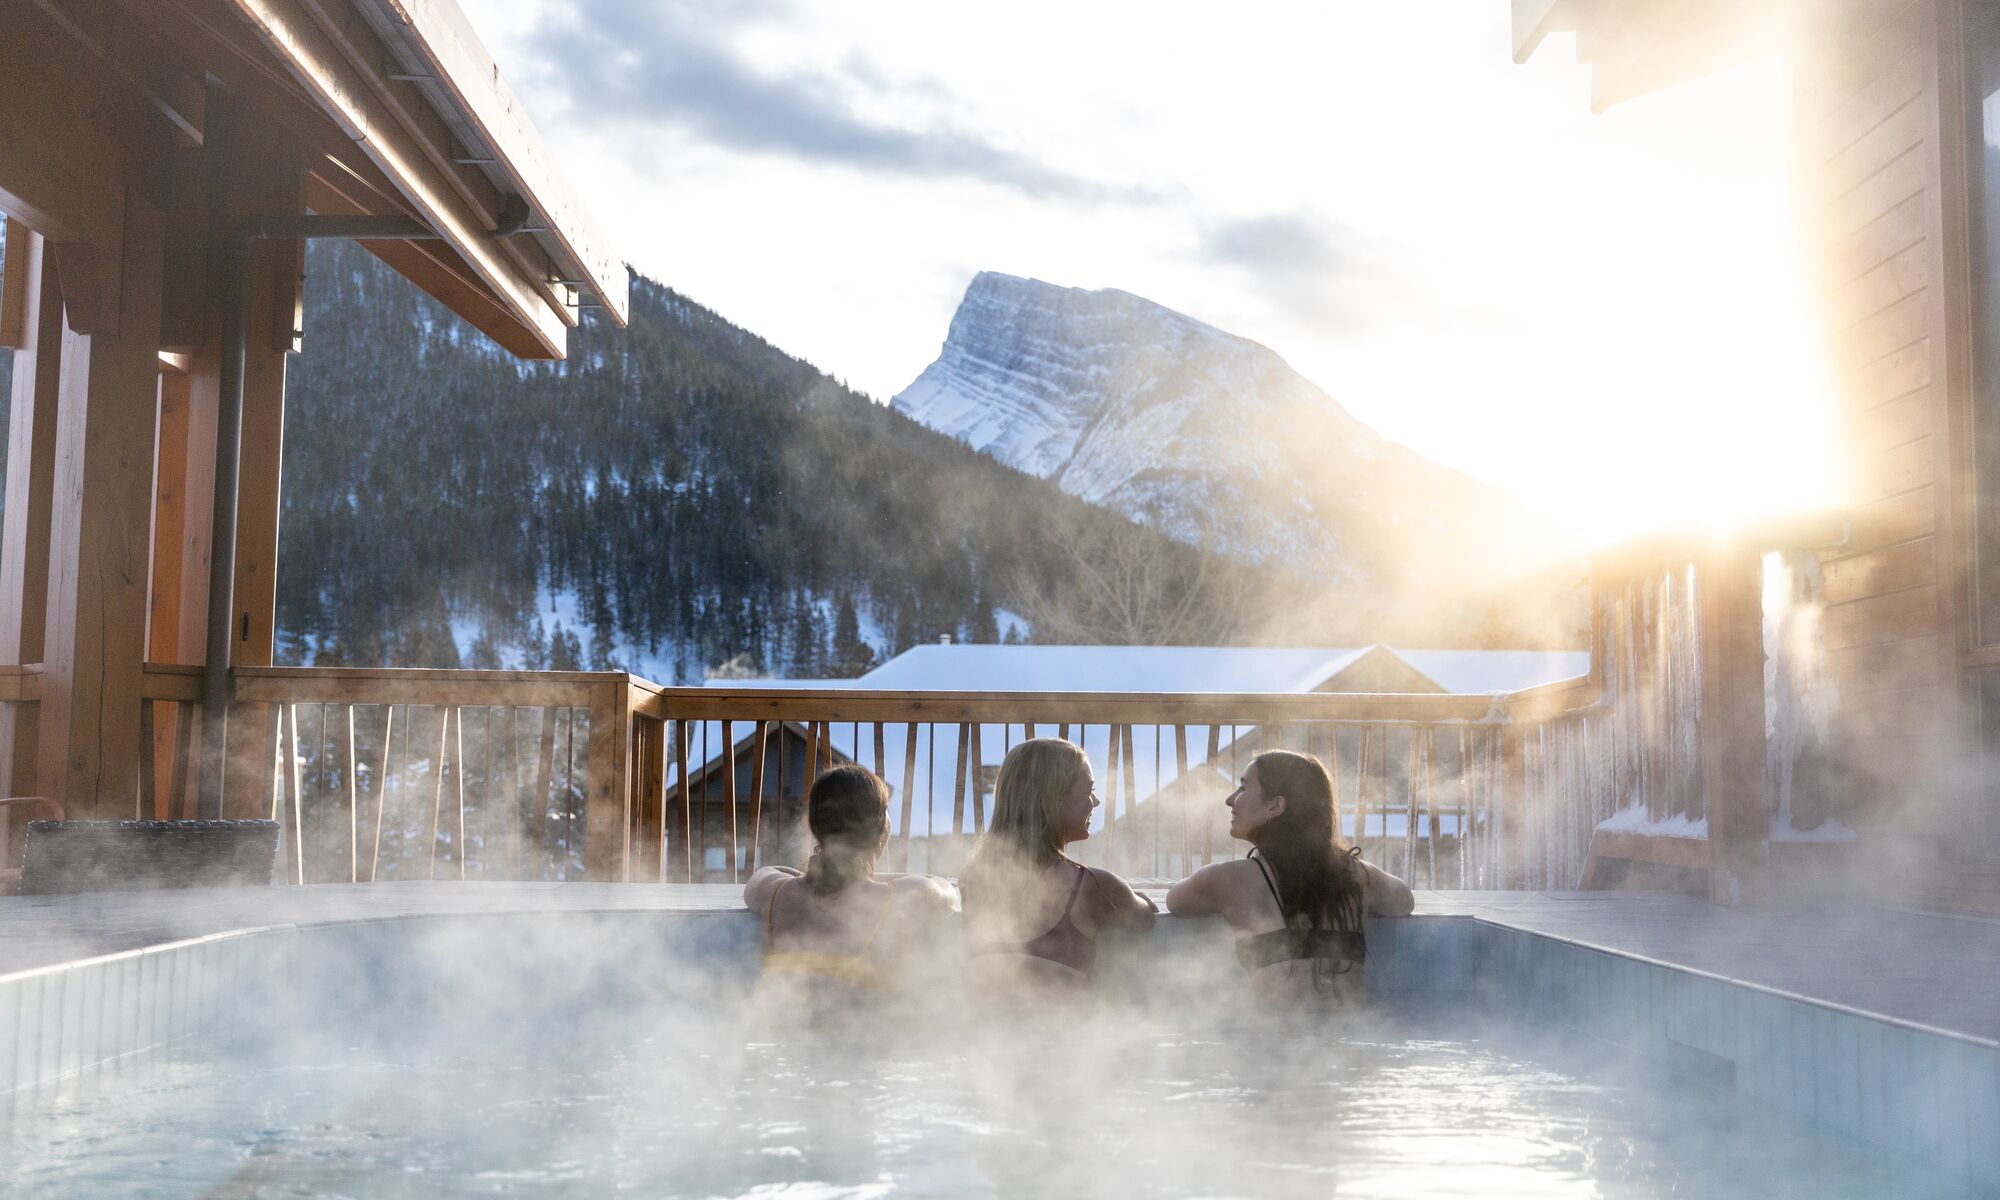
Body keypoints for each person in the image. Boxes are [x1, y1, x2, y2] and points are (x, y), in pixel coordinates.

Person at [1165, 749, 1413, 1009]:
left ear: (1275, 806)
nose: (1231, 800)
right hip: (1350, 1035)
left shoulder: (1228, 880)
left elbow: (1175, 901)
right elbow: (1403, 900)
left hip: (1278, 1040)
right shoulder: (1358, 876)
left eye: (1242, 788)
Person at [744, 764, 958, 1003]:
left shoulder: (775, 892)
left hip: (782, 1036)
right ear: (879, 830)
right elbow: (945, 891)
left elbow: (764, 874)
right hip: (860, 1037)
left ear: (815, 828)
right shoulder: (897, 897)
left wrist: (823, 872)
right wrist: (864, 876)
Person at [960, 737, 1156, 990]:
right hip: (1067, 1026)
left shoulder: (972, 879)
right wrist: (1130, 895)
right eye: (1088, 791)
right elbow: (1145, 917)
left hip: (981, 1026)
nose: (1095, 802)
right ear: (1051, 799)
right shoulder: (1093, 885)